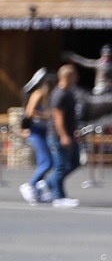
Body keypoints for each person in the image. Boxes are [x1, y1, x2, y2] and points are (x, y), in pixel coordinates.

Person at [20, 68, 57, 205]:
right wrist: (47, 115)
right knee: (48, 162)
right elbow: (30, 112)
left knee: (44, 162)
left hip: (44, 131)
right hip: (36, 131)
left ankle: (38, 190)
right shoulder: (38, 94)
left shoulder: (50, 97)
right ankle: (31, 184)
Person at [50, 63, 85, 208]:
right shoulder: (60, 94)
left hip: (70, 134)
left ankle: (47, 184)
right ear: (67, 77)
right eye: (74, 75)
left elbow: (71, 117)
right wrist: (64, 135)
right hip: (58, 136)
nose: (76, 78)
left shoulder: (69, 93)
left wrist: (75, 132)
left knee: (74, 163)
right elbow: (58, 117)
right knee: (61, 166)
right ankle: (59, 197)